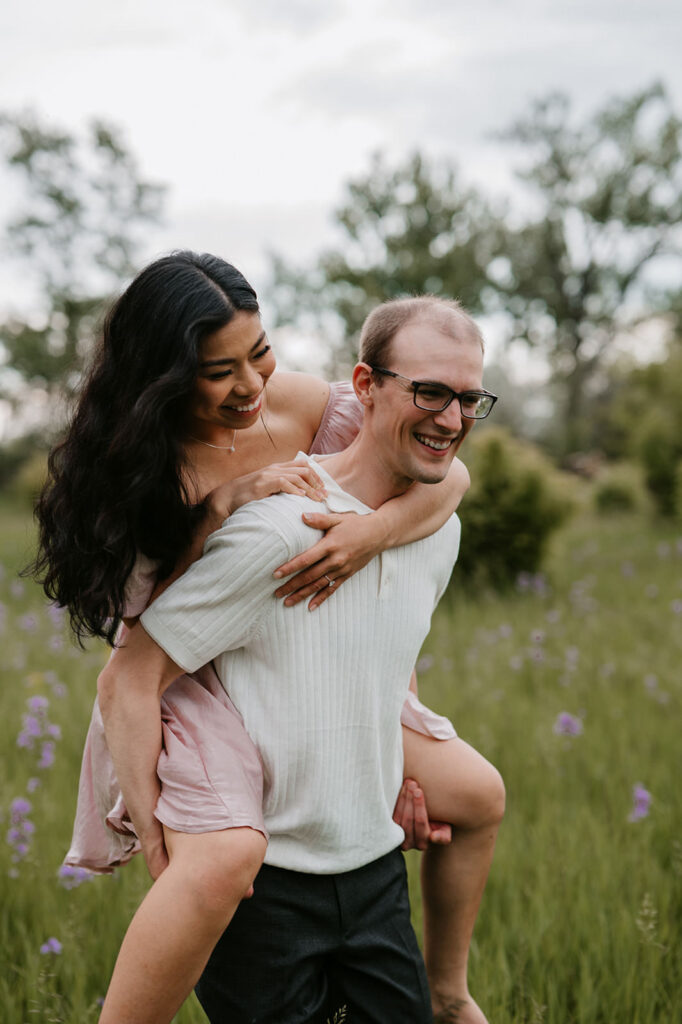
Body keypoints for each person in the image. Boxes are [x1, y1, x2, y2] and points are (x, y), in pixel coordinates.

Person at [31, 253, 504, 1024]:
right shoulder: (145, 470)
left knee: (477, 793)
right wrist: (220, 505)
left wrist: (369, 535)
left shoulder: (295, 402)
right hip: (194, 679)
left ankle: (450, 994)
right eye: (220, 371)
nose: (252, 386)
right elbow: (144, 650)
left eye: (260, 352)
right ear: (164, 377)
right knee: (221, 859)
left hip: (299, 659)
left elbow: (442, 479)